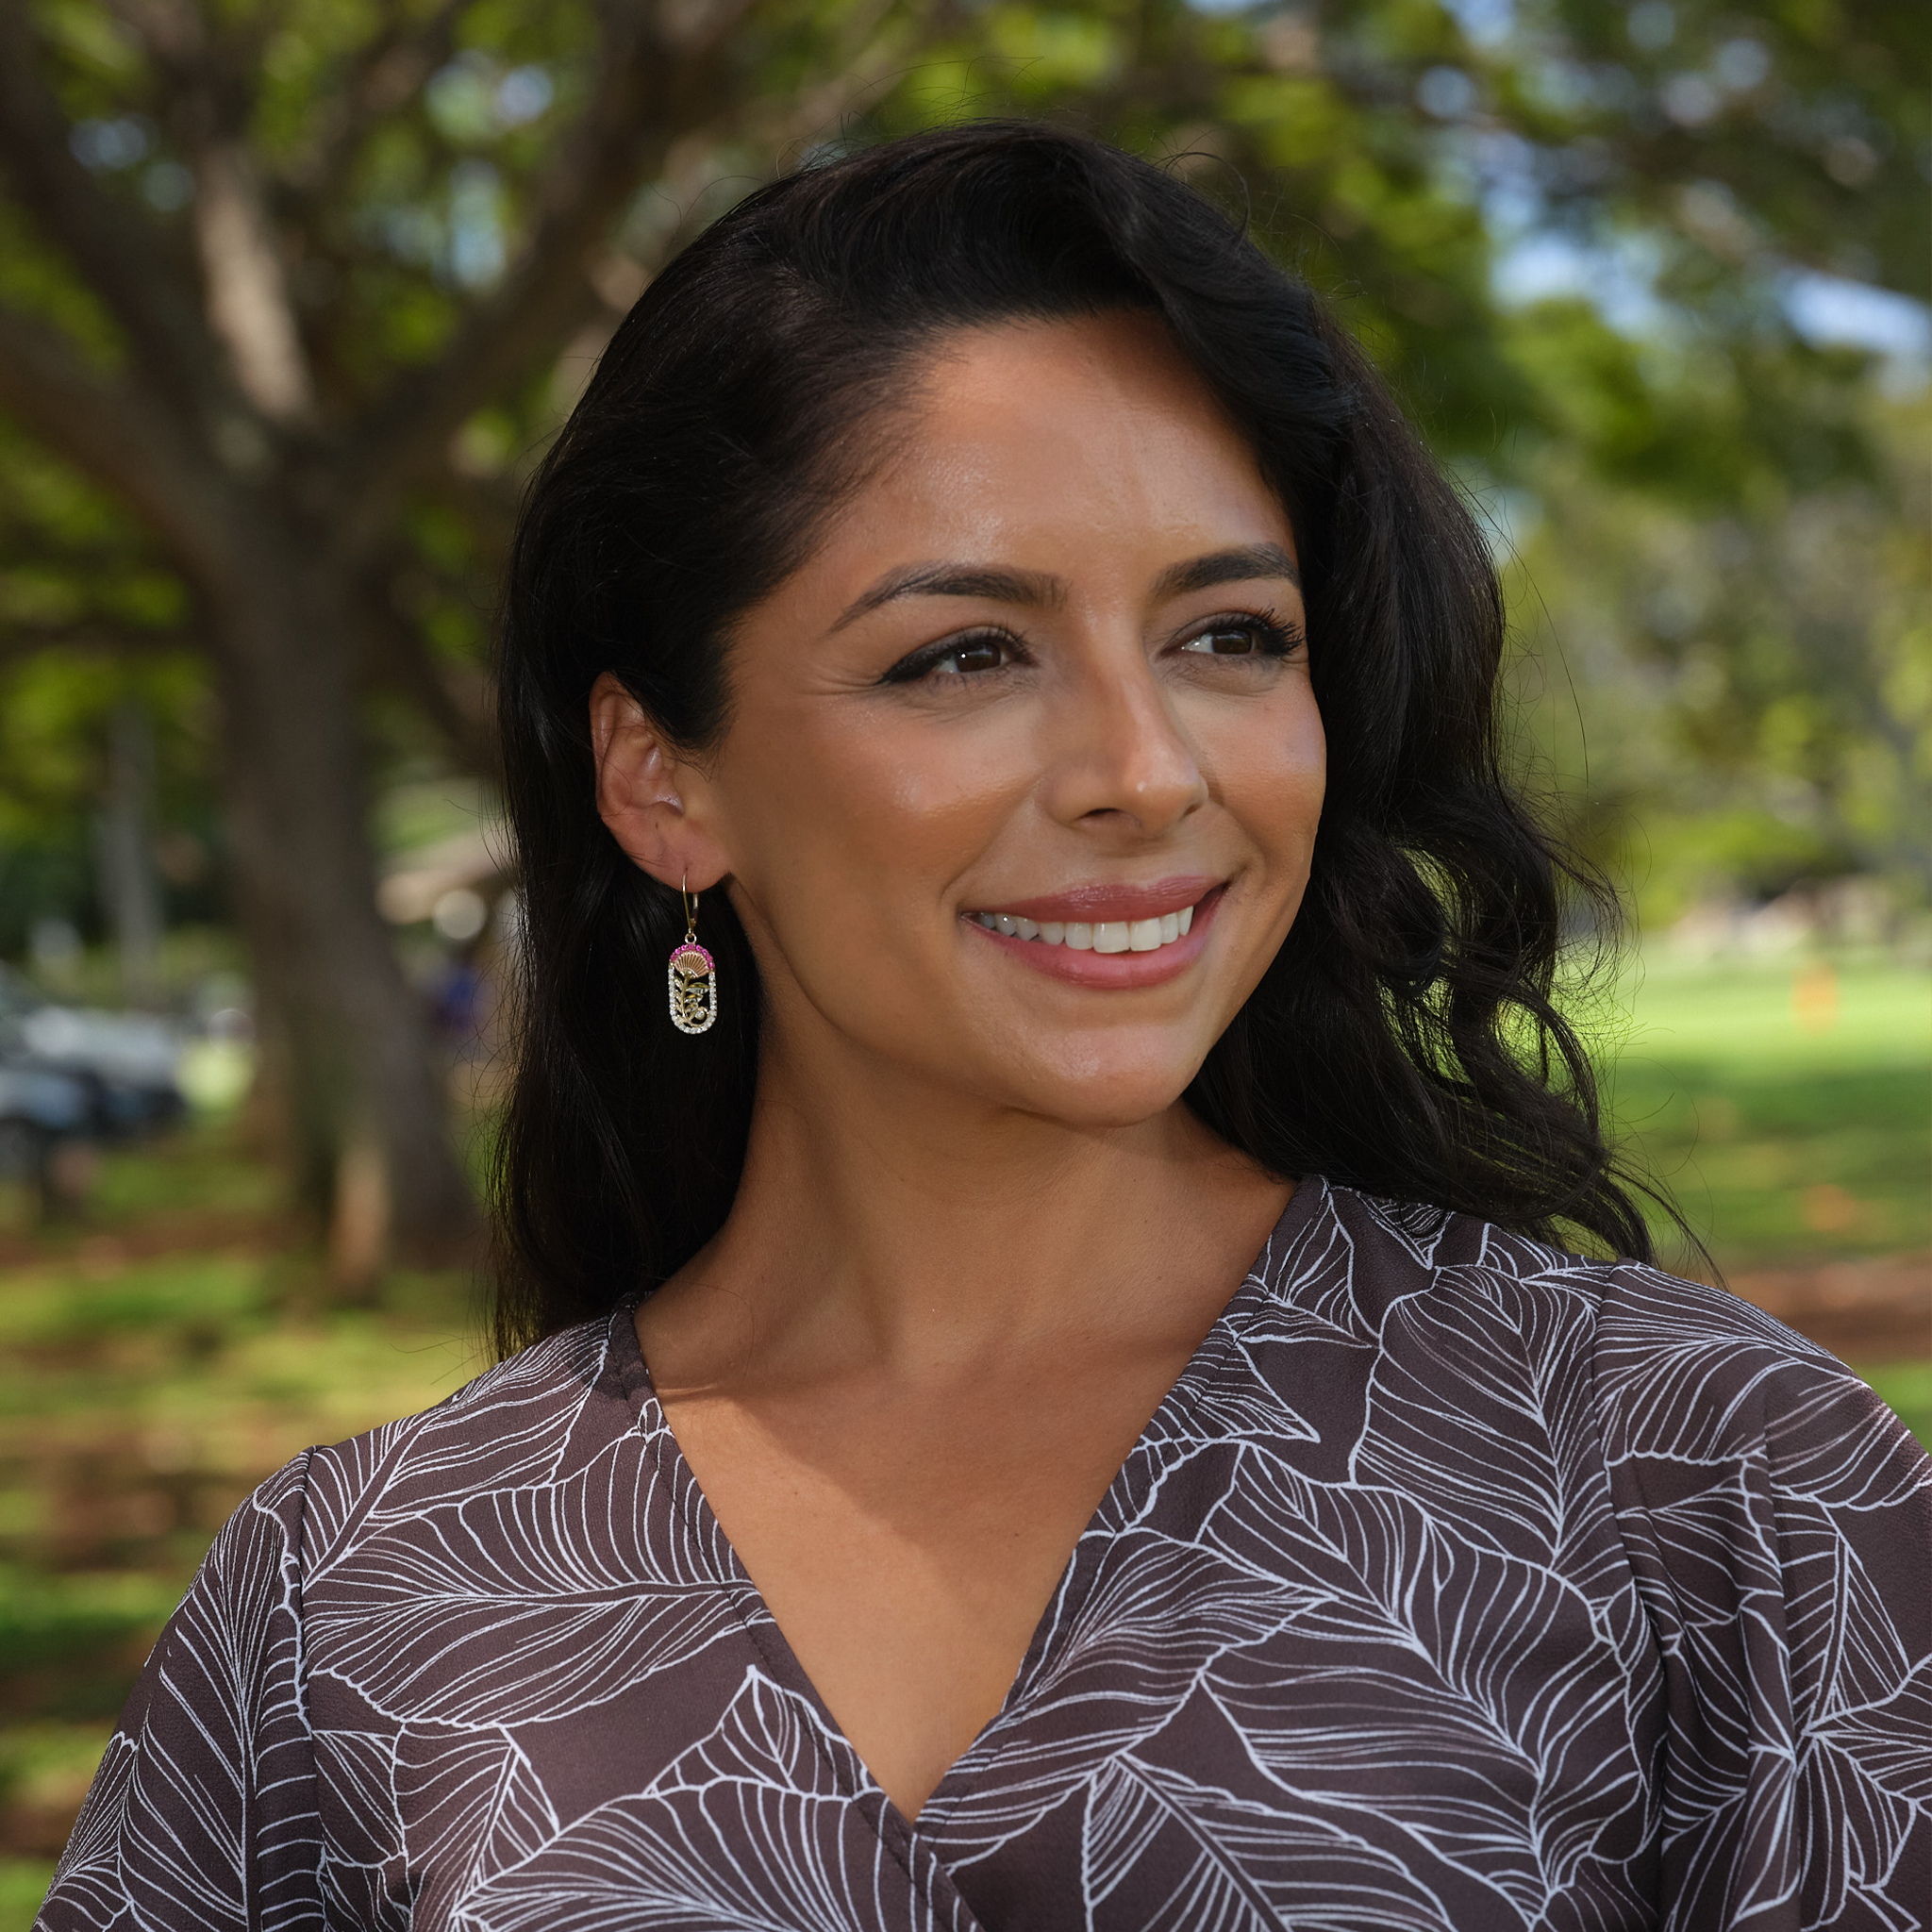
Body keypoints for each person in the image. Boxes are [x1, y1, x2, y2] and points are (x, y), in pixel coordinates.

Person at [40, 122, 1930, 1932]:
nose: (1144, 769)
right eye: (965, 653)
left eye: (1229, 635)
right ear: (661, 778)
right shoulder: (356, 1601)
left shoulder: (1703, 1480)